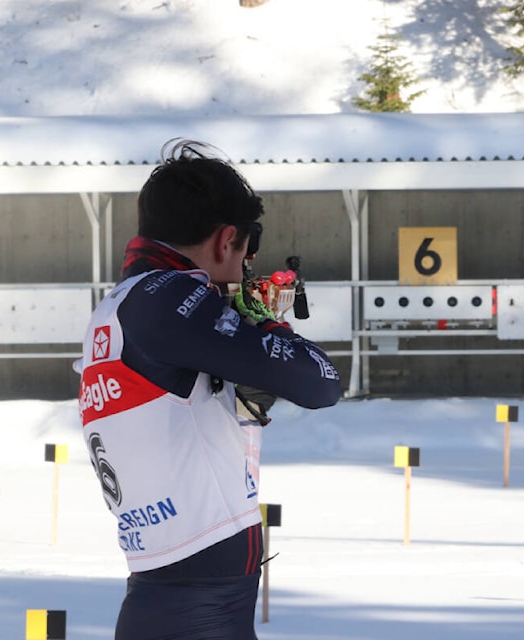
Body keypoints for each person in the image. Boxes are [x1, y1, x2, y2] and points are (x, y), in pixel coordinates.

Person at [75, 139, 341, 640]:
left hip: (173, 584)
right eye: (245, 254)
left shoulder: (122, 307)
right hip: (199, 601)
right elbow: (320, 381)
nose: (243, 272)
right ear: (226, 241)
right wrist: (265, 326)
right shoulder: (169, 295)